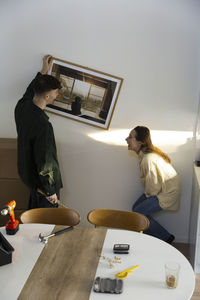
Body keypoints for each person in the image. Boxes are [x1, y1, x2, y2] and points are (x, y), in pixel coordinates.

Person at [15, 55, 63, 209]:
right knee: (44, 227)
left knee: (33, 221)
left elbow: (30, 90)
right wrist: (50, 191)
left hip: (31, 180)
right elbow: (45, 163)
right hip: (44, 187)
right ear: (47, 96)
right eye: (56, 93)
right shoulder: (44, 126)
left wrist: (43, 71)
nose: (57, 96)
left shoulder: (22, 107)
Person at [125, 126, 180, 243]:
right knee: (136, 209)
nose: (126, 139)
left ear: (140, 142)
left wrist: (146, 202)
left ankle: (165, 238)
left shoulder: (147, 159)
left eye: (130, 137)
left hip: (167, 193)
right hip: (162, 189)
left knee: (138, 213)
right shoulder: (144, 155)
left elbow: (153, 188)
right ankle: (162, 237)